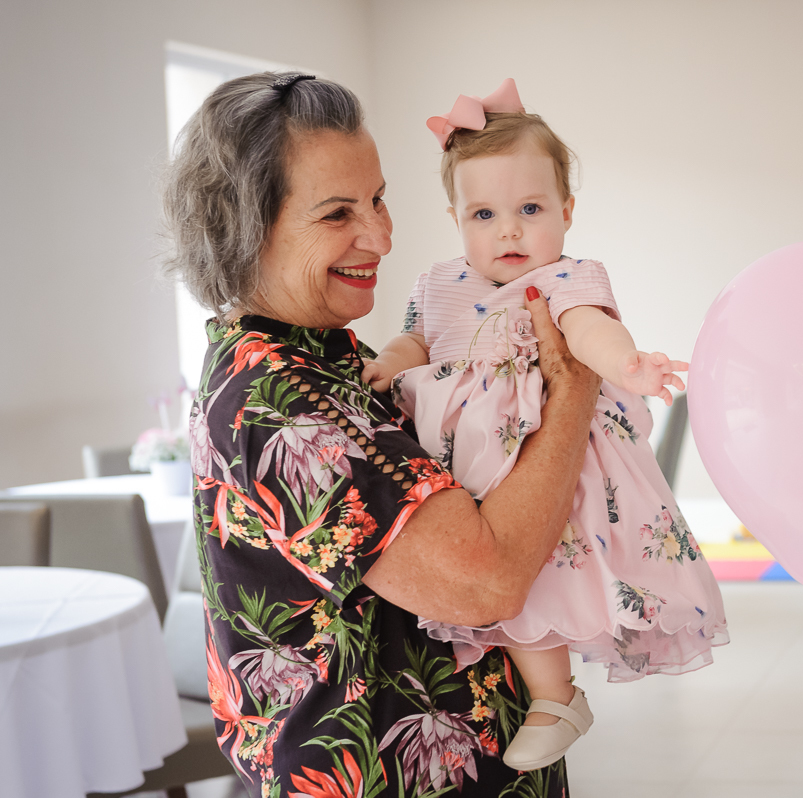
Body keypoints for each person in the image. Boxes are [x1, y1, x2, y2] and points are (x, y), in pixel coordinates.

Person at [165, 72, 601, 797]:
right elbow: (483, 581)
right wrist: (574, 392)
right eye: (339, 214)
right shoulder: (277, 400)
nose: (381, 235)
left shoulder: (337, 360)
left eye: (378, 198)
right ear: (242, 227)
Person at [363, 79, 729, 771]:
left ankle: (554, 698)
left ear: (565, 210)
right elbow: (416, 341)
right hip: (465, 471)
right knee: (491, 571)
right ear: (455, 218)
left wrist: (630, 363)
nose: (508, 230)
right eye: (484, 213)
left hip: (538, 456)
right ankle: (544, 693)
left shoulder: (563, 279)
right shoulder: (438, 284)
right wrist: (386, 362)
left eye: (529, 208)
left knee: (540, 574)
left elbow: (588, 333)